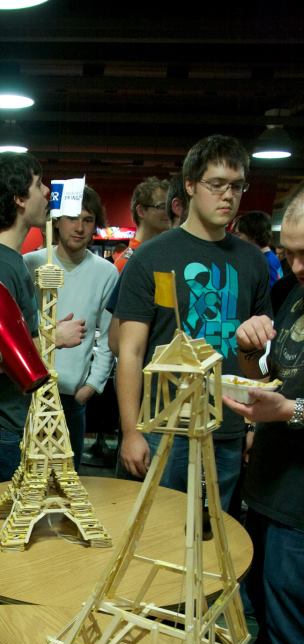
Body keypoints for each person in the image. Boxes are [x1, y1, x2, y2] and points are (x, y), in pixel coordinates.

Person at [115, 134, 272, 511]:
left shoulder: (252, 261)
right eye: (216, 184)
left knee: (213, 532)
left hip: (227, 429)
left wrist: (254, 424)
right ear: (189, 185)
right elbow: (130, 350)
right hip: (163, 427)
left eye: (237, 186)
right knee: (156, 530)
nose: (228, 196)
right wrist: (131, 431)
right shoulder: (151, 257)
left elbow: (259, 356)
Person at [222, 185, 304, 644]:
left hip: (299, 514)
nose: (296, 266)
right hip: (269, 495)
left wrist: (291, 412)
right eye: (289, 252)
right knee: (269, 643)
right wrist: (250, 353)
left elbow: (288, 402)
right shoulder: (291, 293)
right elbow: (273, 377)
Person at [0, 152, 83, 488]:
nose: (47, 192)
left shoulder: (8, 260)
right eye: (38, 184)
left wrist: (47, 332)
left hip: (3, 421)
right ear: (19, 199)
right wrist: (55, 338)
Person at [24, 185, 118, 469]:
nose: (79, 227)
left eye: (88, 220)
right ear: (56, 221)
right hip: (29, 393)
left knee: (66, 479)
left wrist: (91, 386)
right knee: (29, 475)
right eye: (72, 218)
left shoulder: (106, 272)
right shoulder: (31, 263)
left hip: (72, 399)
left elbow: (109, 337)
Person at [113, 176, 170, 273]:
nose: (168, 212)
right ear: (141, 211)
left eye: (169, 207)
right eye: (161, 206)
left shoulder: (166, 254)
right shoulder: (125, 264)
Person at [234, 210, 283, 287]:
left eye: (239, 235)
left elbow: (273, 292)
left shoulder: (265, 262)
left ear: (253, 235)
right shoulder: (269, 257)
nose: (235, 239)